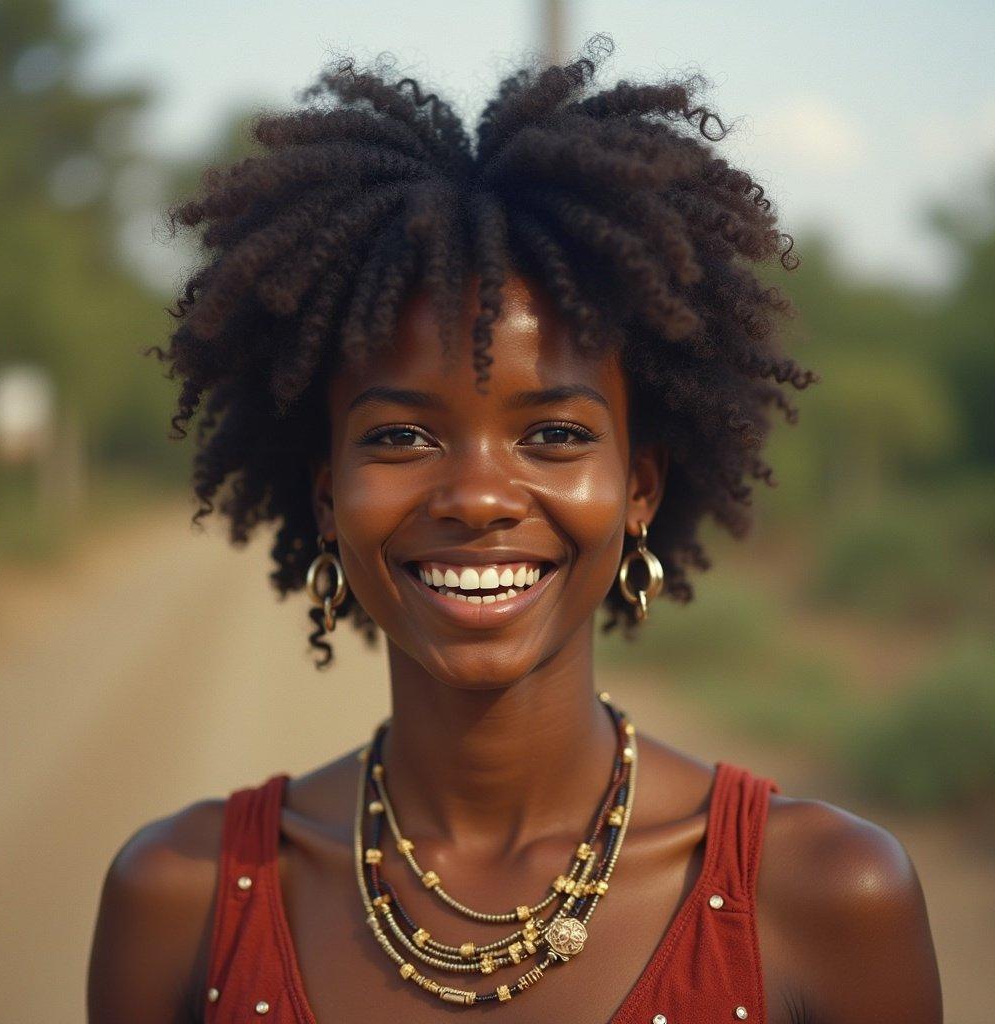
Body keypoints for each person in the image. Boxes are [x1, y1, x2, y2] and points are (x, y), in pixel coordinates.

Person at [87, 37, 942, 1024]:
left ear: (639, 488)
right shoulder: (181, 895)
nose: (478, 495)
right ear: (328, 497)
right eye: (401, 433)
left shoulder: (827, 896)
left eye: (553, 433)